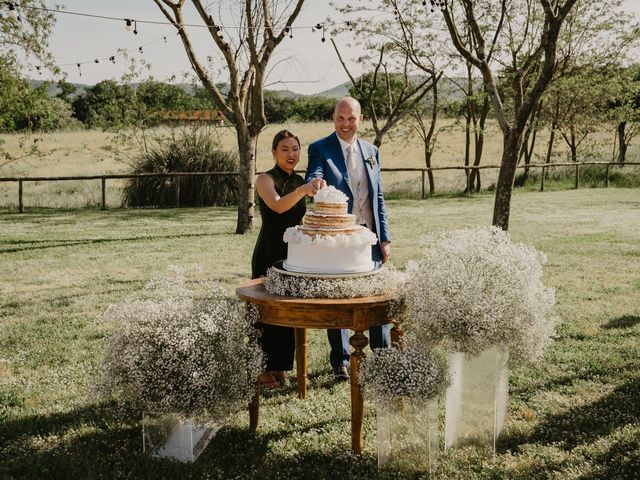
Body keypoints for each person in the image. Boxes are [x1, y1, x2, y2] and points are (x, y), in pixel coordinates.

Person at [306, 96, 392, 381]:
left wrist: (385, 238)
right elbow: (315, 172)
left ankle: (384, 357)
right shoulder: (319, 148)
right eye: (340, 118)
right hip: (340, 238)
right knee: (340, 300)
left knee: (378, 297)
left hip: (370, 235)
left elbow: (377, 195)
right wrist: (316, 183)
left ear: (361, 119)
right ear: (333, 118)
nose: (345, 124)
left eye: (351, 119)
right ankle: (340, 361)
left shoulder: (371, 151)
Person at [252, 129, 325, 388]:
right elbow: (279, 206)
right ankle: (261, 368)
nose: (291, 154)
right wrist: (303, 190)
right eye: (284, 149)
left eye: (295, 149)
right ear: (274, 152)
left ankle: (280, 366)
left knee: (287, 311)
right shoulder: (264, 179)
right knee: (266, 311)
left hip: (293, 253)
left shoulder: (301, 181)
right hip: (269, 251)